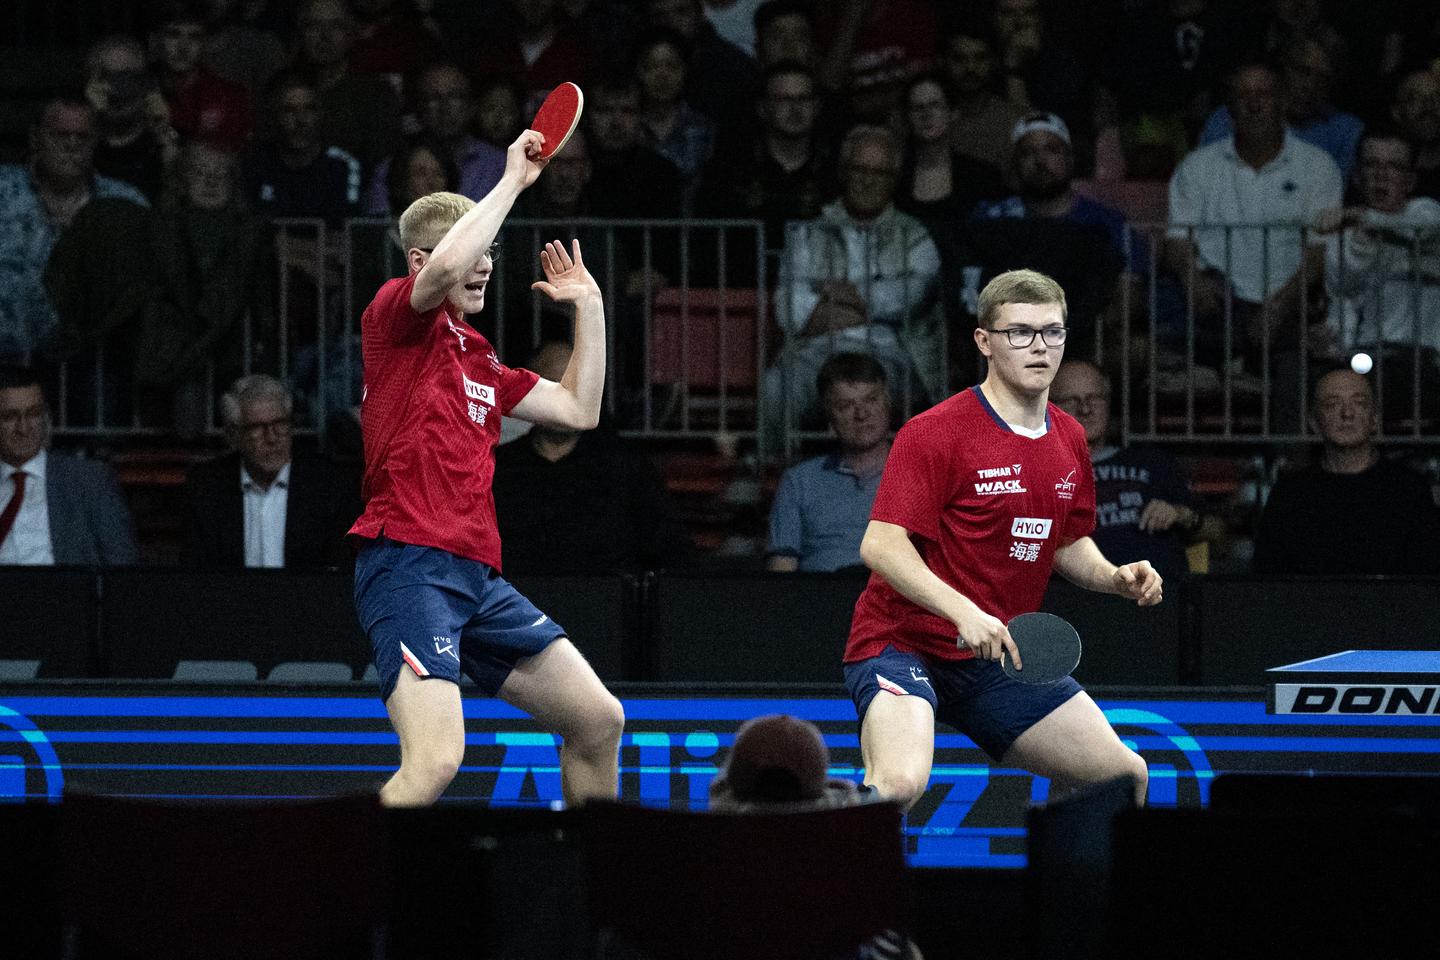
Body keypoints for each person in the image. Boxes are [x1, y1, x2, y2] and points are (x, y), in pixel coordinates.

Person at [349, 129, 624, 807]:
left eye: (492, 255)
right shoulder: (394, 319)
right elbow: (442, 274)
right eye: (475, 251)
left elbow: (578, 408)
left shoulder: (480, 359)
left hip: (477, 580)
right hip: (407, 564)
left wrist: (589, 308)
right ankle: (330, 883)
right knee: (437, 761)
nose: (484, 266)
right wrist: (512, 184)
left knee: (598, 721)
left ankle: (592, 889)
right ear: (419, 259)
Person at [843, 269, 1159, 812]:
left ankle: (1061, 891)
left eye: (1052, 332)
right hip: (903, 644)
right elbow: (881, 546)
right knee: (897, 787)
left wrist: (1112, 577)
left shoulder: (1069, 437)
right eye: (1019, 332)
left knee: (1120, 776)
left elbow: (1065, 541)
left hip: (996, 658)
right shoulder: (936, 431)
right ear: (985, 341)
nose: (1039, 346)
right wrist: (963, 612)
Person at [766, 125, 943, 450]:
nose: (868, 179)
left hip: (892, 353)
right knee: (775, 386)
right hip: (815, 352)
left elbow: (910, 299)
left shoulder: (915, 236)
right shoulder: (808, 232)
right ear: (844, 173)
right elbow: (789, 312)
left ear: (894, 179)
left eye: (880, 172)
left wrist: (839, 295)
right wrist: (874, 306)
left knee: (873, 392)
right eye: (859, 169)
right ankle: (774, 477)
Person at [493, 340, 692, 575]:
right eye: (554, 384)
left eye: (575, 383)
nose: (566, 395)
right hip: (518, 608)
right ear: (526, 392)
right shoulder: (498, 468)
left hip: (606, 607)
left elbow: (672, 553)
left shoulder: (626, 469)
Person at [0, 98, 147, 365]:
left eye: (82, 137)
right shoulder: (2, 189)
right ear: (36, 138)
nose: (71, 145)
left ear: (95, 143)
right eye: (60, 135)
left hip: (93, 363)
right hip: (6, 357)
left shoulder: (125, 203)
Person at [1253, 367, 1440, 575]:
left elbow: (1425, 580)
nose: (1347, 414)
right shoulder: (1289, 494)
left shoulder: (1409, 491)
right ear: (1314, 421)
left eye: (1359, 403)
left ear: (1375, 419)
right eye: (1332, 405)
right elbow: (1268, 580)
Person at [1316, 127, 1440, 428]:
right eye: (1372, 165)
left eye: (1394, 167)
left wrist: (1357, 216)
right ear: (1357, 176)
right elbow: (1344, 295)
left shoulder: (1426, 211)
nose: (1382, 175)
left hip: (1433, 361)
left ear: (1411, 180)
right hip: (1372, 361)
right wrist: (1327, 340)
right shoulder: (1343, 242)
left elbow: (1422, 226)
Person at [1050, 360, 1203, 585]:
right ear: (1050, 407)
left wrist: (1180, 514)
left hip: (1160, 597)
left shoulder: (1152, 461)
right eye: (1071, 401)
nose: (1085, 408)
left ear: (1109, 401)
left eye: (1094, 398)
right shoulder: (1038, 473)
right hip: (1079, 601)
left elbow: (1218, 533)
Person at [182, 374, 358, 569]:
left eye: (280, 424)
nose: (272, 438)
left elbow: (339, 572)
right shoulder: (207, 486)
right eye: (258, 428)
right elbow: (197, 574)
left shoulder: (330, 485)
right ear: (235, 435)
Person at [0, 365, 138, 566]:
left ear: (46, 417)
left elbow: (122, 566)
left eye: (33, 414)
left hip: (65, 595)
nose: (23, 428)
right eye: (10, 417)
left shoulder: (89, 481)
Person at [767, 352, 891, 573]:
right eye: (845, 406)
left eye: (871, 400)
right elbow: (782, 569)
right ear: (829, 415)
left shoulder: (923, 475)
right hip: (820, 601)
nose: (862, 414)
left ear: (887, 401)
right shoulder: (799, 482)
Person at [1195, 26, 1363, 178]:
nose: (1310, 86)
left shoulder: (1346, 132)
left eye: (1323, 79)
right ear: (1281, 69)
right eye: (1302, 72)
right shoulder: (1228, 119)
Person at [360, 63, 506, 216]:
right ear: (419, 107)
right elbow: (378, 228)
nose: (445, 108)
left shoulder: (500, 165)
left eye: (454, 96)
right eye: (433, 98)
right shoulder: (390, 169)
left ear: (471, 105)